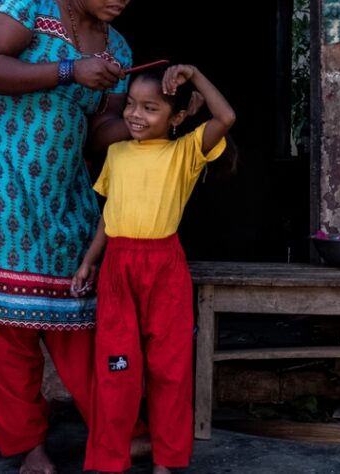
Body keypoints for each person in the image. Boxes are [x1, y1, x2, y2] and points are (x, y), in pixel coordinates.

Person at [0, 0, 146, 474]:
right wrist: (68, 70)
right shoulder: (28, 0)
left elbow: (96, 134)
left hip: (63, 192)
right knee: (2, 322)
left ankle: (115, 432)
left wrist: (148, 122)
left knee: (82, 314)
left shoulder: (118, 48)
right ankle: (27, 449)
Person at [75, 64, 235, 473]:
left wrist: (196, 75)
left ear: (177, 117)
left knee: (169, 368)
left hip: (164, 268)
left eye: (150, 108)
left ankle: (166, 460)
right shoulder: (116, 153)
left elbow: (226, 117)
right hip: (117, 269)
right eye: (130, 104)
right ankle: (110, 461)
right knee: (117, 368)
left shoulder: (185, 153)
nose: (135, 115)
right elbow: (109, 216)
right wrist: (89, 262)